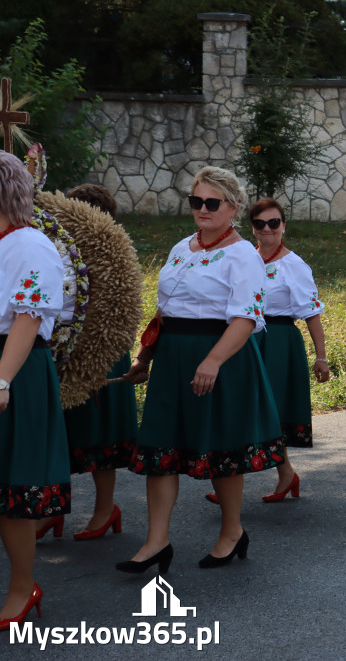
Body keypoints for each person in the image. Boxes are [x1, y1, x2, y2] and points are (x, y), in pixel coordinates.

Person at [120, 166, 283, 572]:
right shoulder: (181, 248)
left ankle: (231, 531)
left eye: (212, 203)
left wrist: (212, 360)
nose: (203, 209)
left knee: (220, 449)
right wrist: (145, 356)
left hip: (221, 358)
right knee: (160, 447)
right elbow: (165, 311)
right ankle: (157, 541)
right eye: (197, 202)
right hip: (172, 357)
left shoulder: (243, 254)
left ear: (233, 207)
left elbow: (245, 318)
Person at [204, 198, 329, 505]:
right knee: (241, 406)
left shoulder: (294, 265)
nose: (267, 229)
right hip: (243, 337)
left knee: (264, 409)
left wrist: (321, 357)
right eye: (260, 224)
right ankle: (277, 475)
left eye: (274, 223)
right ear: (253, 228)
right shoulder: (244, 258)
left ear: (284, 225)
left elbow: (312, 313)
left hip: (278, 341)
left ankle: (249, 479)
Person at [0, 151, 70, 628]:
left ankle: (24, 586)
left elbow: (29, 317)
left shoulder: (31, 245)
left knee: (13, 486)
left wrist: (2, 378)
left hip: (14, 368)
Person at [48, 184, 136, 540]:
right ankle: (51, 511)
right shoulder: (58, 249)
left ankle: (105, 510)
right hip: (63, 353)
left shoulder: (112, 259)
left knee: (100, 437)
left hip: (100, 353)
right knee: (58, 435)